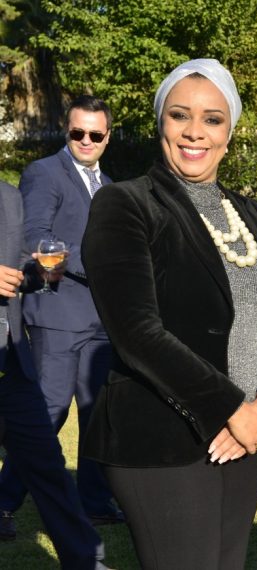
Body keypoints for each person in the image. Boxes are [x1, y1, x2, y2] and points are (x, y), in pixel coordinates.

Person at [80, 59, 257, 570]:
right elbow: (136, 332)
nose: (195, 131)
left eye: (212, 119)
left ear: (229, 132)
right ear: (161, 123)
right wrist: (231, 408)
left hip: (243, 437)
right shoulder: (125, 204)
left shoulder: (248, 213)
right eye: (180, 115)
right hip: (162, 440)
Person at [0, 96, 124, 530]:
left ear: (107, 137)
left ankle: (94, 501)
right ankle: (3, 501)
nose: (86, 140)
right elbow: (36, 236)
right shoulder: (44, 173)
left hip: (101, 320)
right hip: (56, 312)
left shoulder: (109, 185)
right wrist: (97, 264)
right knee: (49, 412)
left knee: (96, 413)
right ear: (66, 130)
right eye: (77, 132)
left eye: (95, 133)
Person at [0, 180, 109, 568]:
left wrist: (45, 273)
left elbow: (19, 270)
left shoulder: (8, 196)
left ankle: (86, 561)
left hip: (13, 364)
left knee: (49, 468)